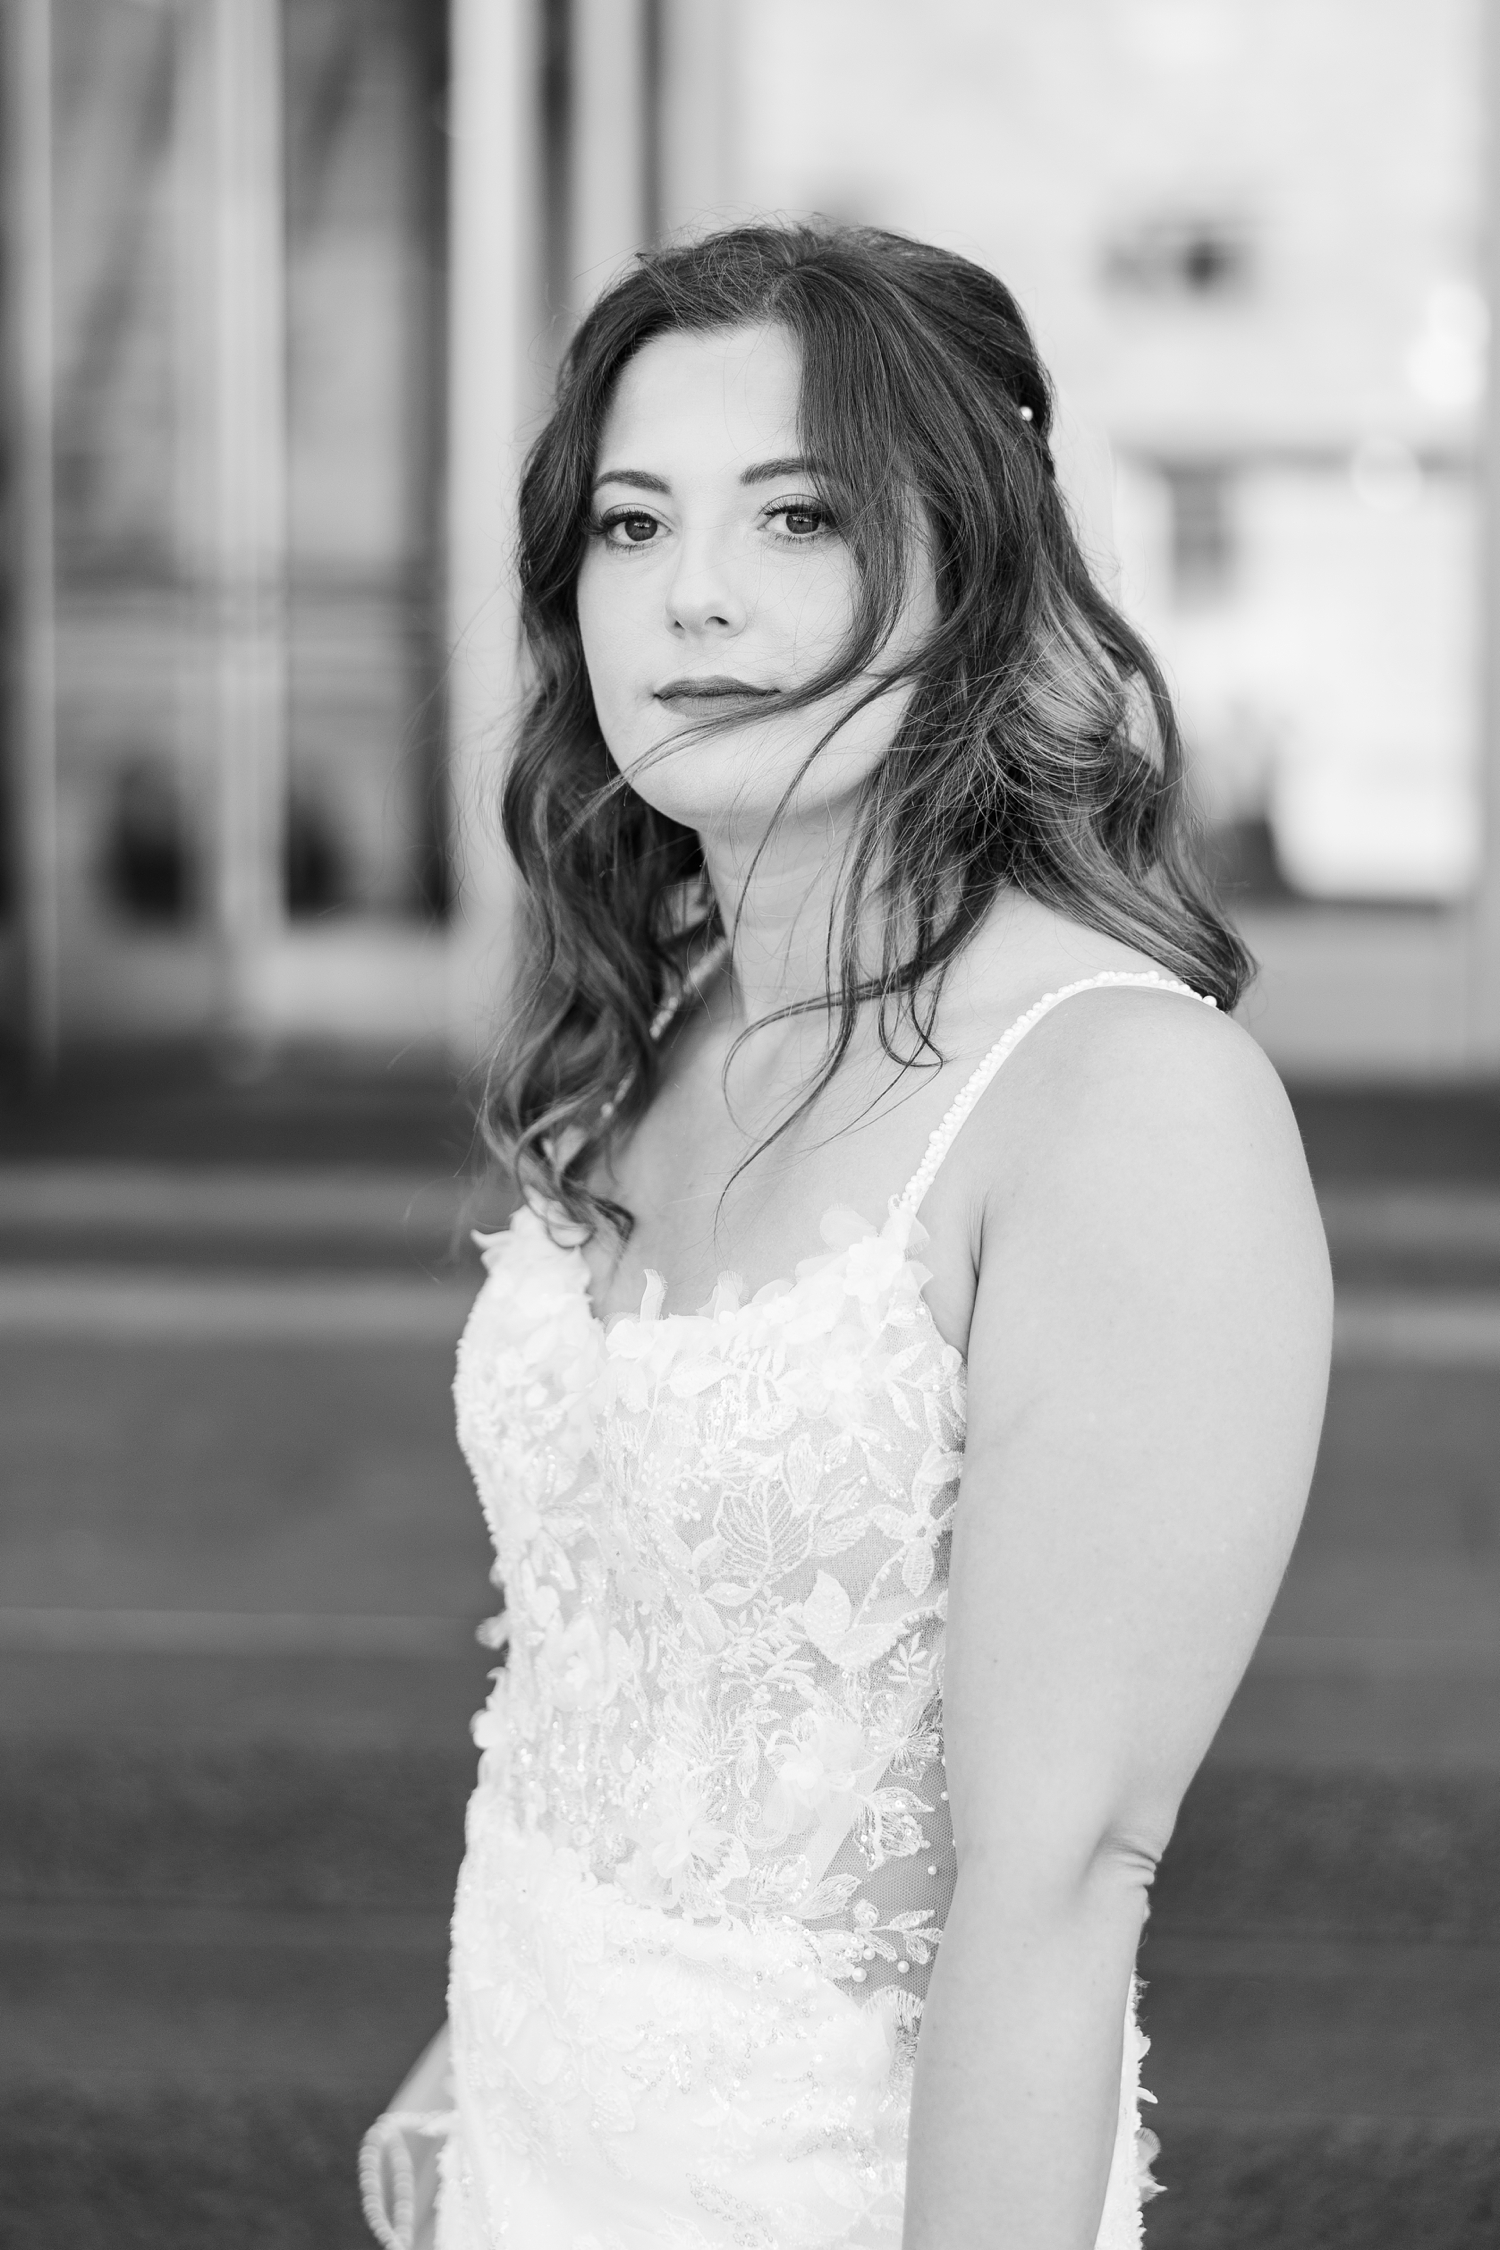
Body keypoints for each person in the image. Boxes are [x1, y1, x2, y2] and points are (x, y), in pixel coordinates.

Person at [361, 221, 1332, 2250]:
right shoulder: (668, 1012)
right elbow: (610, 1640)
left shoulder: (1118, 1103)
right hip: (536, 2146)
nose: (690, 594)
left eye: (796, 516)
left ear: (972, 572)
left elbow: (1058, 1885)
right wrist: (487, 2045)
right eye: (631, 526)